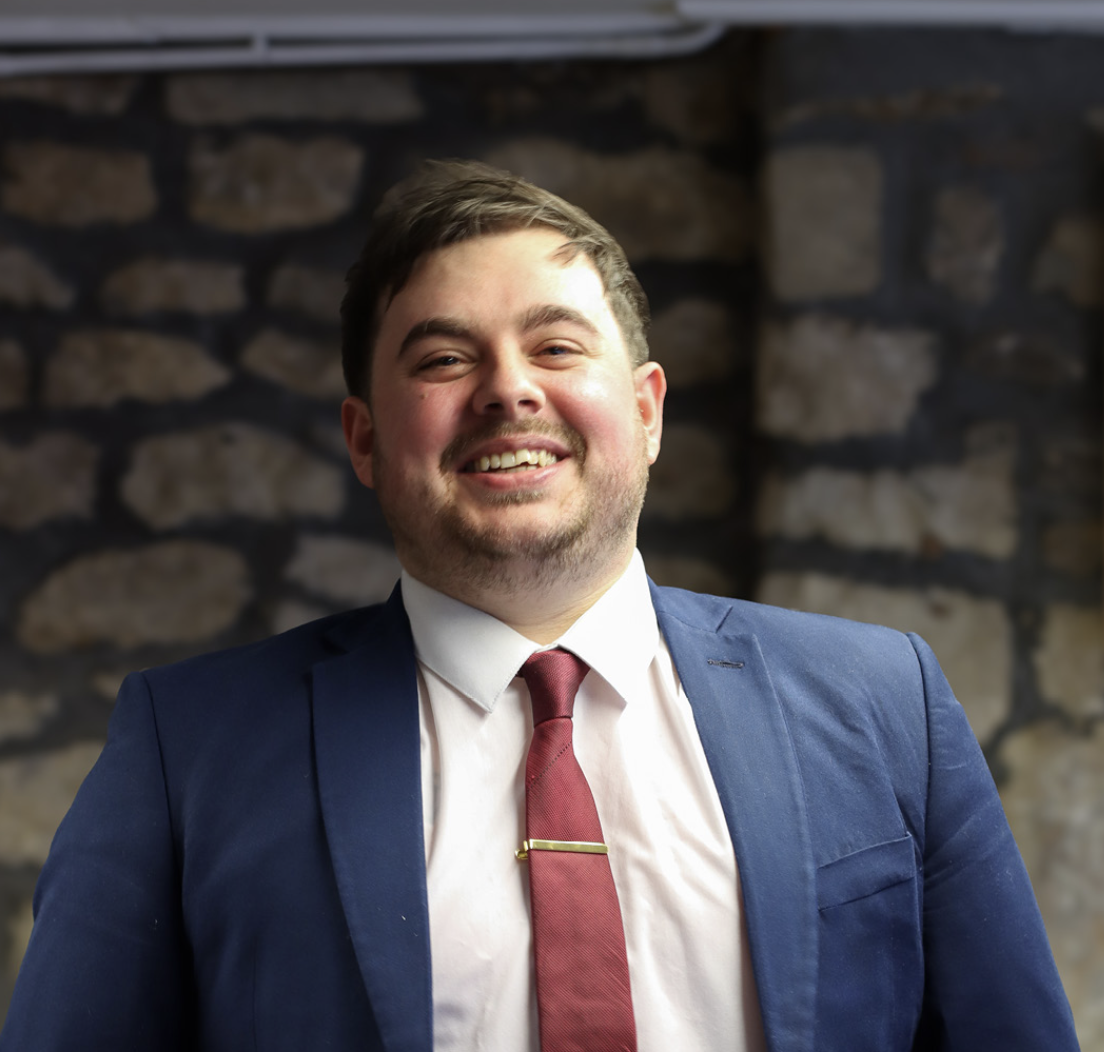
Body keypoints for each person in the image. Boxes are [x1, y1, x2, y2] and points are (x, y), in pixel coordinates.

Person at [1, 161, 1079, 1052]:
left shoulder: (887, 702)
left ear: (648, 411)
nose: (508, 388)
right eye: (443, 356)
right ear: (366, 438)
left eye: (557, 345)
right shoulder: (184, 750)